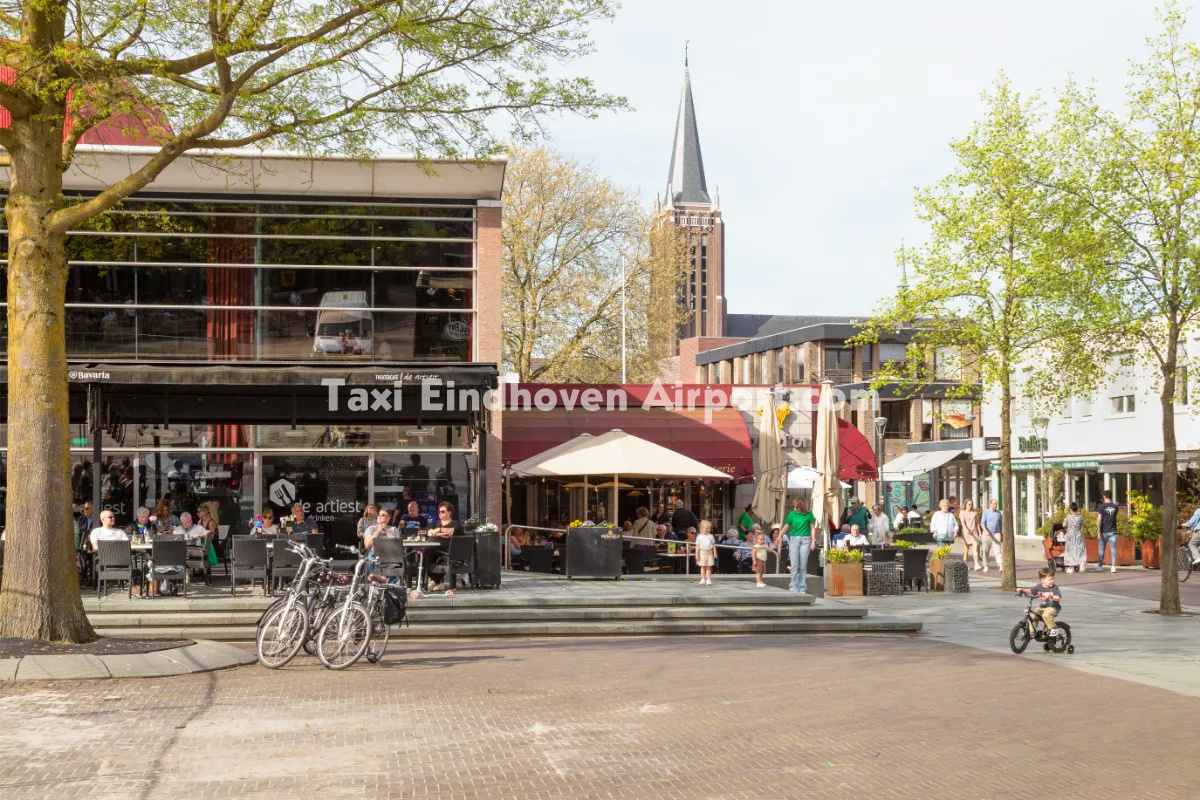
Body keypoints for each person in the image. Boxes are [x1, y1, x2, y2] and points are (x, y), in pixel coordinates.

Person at [780, 496, 814, 594]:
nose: (794, 507)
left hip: (805, 540)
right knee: (794, 565)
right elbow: (786, 526)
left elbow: (812, 528)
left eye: (796, 506)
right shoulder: (792, 514)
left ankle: (802, 587)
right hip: (794, 539)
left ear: (801, 506)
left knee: (802, 566)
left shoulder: (809, 514)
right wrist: (780, 536)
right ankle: (793, 587)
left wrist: (813, 541)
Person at [1017, 567, 1064, 638]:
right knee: (1032, 616)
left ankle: (1054, 629)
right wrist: (1022, 590)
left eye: (1053, 579)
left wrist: (1050, 596)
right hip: (1043, 606)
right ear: (1043, 580)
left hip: (1053, 607)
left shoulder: (1055, 588)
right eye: (1050, 579)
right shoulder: (1039, 587)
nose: (1052, 581)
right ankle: (1032, 632)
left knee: (1046, 615)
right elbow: (1031, 591)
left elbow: (1058, 598)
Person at [1096, 492, 1120, 573]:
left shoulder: (1101, 506)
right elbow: (1114, 516)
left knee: (1101, 550)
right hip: (1113, 530)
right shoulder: (1115, 507)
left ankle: (1100, 566)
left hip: (1103, 531)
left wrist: (1099, 531)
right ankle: (1113, 566)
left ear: (1104, 496)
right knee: (1113, 549)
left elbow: (1099, 519)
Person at [979, 499, 1003, 571]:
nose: (995, 505)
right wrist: (985, 531)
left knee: (998, 550)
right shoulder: (986, 512)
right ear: (990, 504)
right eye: (994, 504)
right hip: (987, 534)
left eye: (996, 504)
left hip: (996, 533)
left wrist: (1001, 534)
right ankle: (985, 565)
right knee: (985, 550)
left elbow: (1000, 524)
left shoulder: (999, 513)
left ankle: (1000, 565)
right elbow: (982, 523)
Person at [1064, 503, 1086, 573]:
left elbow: (1064, 525)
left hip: (1070, 535)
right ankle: (1082, 562)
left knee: (1070, 550)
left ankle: (1071, 567)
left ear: (1070, 509)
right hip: (1079, 534)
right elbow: (1084, 524)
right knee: (1080, 549)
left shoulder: (1068, 517)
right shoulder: (1080, 517)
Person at [959, 499, 981, 570]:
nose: (970, 506)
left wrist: (979, 532)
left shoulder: (974, 513)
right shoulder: (962, 512)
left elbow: (977, 523)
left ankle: (976, 564)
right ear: (965, 504)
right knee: (966, 550)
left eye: (971, 504)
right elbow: (962, 522)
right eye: (969, 504)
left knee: (976, 549)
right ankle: (965, 564)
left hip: (974, 533)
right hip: (966, 533)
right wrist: (966, 529)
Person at [694, 520, 716, 586]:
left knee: (709, 566)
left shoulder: (711, 536)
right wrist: (697, 555)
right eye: (706, 528)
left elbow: (713, 545)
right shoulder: (699, 536)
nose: (707, 530)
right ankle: (703, 578)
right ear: (701, 528)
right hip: (702, 552)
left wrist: (714, 553)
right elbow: (697, 547)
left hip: (709, 552)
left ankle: (708, 578)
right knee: (703, 566)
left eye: (709, 528)